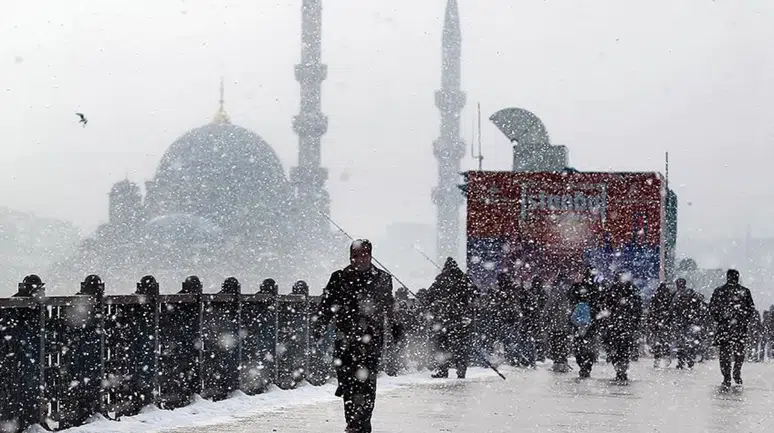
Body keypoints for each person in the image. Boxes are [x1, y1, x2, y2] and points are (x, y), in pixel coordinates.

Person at [312, 239, 397, 433]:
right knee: (347, 381)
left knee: (366, 383)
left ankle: (361, 422)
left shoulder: (382, 278)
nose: (359, 259)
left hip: (371, 339)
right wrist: (320, 325)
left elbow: (388, 307)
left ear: (370, 255)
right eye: (355, 255)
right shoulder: (339, 278)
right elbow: (327, 305)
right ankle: (353, 419)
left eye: (363, 255)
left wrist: (394, 326)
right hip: (345, 339)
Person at [709, 269, 757, 389]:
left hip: (725, 327)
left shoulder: (719, 291)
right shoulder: (744, 291)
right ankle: (736, 371)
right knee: (739, 352)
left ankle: (726, 377)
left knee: (725, 353)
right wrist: (743, 319)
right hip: (739, 328)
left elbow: (712, 308)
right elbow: (751, 309)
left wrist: (720, 319)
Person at [428, 257, 475, 379]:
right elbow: (475, 293)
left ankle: (443, 370)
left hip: (444, 319)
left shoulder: (441, 279)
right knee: (461, 345)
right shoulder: (465, 279)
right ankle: (461, 369)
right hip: (460, 319)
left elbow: (429, 296)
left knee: (442, 344)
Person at [601, 271, 643, 382]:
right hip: (624, 325)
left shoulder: (613, 290)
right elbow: (638, 308)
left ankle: (620, 368)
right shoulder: (631, 290)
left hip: (616, 325)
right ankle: (622, 369)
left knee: (616, 348)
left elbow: (605, 306)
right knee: (624, 349)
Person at [568, 268, 602, 378]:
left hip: (578, 323)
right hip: (591, 324)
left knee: (579, 345)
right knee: (588, 347)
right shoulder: (596, 289)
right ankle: (586, 366)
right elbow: (600, 306)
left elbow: (570, 299)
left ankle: (583, 364)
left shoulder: (577, 287)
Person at [669, 278, 705, 369]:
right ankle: (690, 360)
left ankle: (681, 362)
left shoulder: (676, 294)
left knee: (681, 343)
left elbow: (671, 308)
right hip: (691, 321)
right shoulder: (691, 292)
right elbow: (701, 301)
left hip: (680, 322)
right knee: (690, 342)